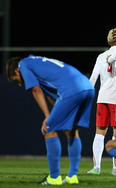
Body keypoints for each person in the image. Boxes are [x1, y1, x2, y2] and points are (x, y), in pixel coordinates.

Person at [6, 55, 95, 185]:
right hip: (87, 86)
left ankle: (54, 178)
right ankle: (72, 177)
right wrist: (55, 115)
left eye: (16, 80)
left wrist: (48, 117)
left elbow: (36, 91)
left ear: (16, 71)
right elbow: (52, 96)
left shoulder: (23, 64)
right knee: (71, 131)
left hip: (72, 89)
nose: (19, 84)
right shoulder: (36, 62)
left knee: (48, 129)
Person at [88, 28, 116, 175]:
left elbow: (92, 79)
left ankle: (96, 167)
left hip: (102, 97)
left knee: (99, 133)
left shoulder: (101, 56)